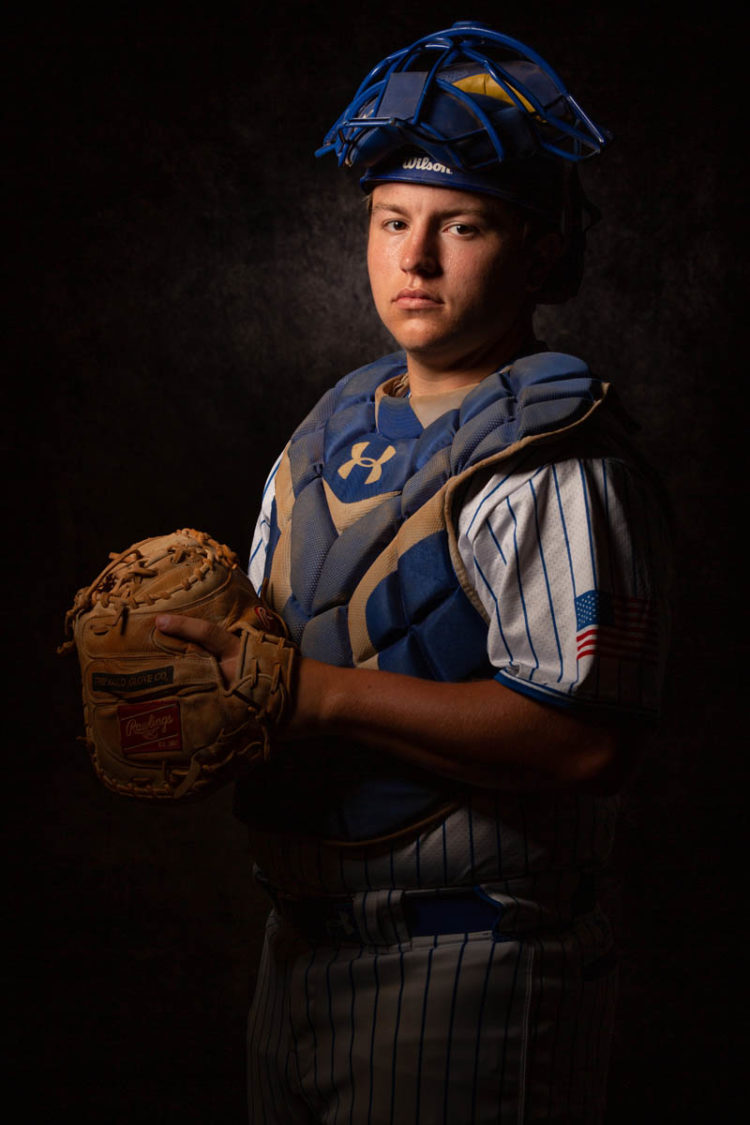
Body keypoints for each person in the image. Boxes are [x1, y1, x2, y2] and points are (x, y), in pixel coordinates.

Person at [157, 21, 670, 1124]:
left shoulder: (554, 458)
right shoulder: (325, 435)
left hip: (469, 965)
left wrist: (313, 695)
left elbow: (589, 742)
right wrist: (196, 681)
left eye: (461, 225)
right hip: (295, 954)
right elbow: (282, 659)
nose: (415, 259)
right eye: (393, 221)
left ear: (539, 248)